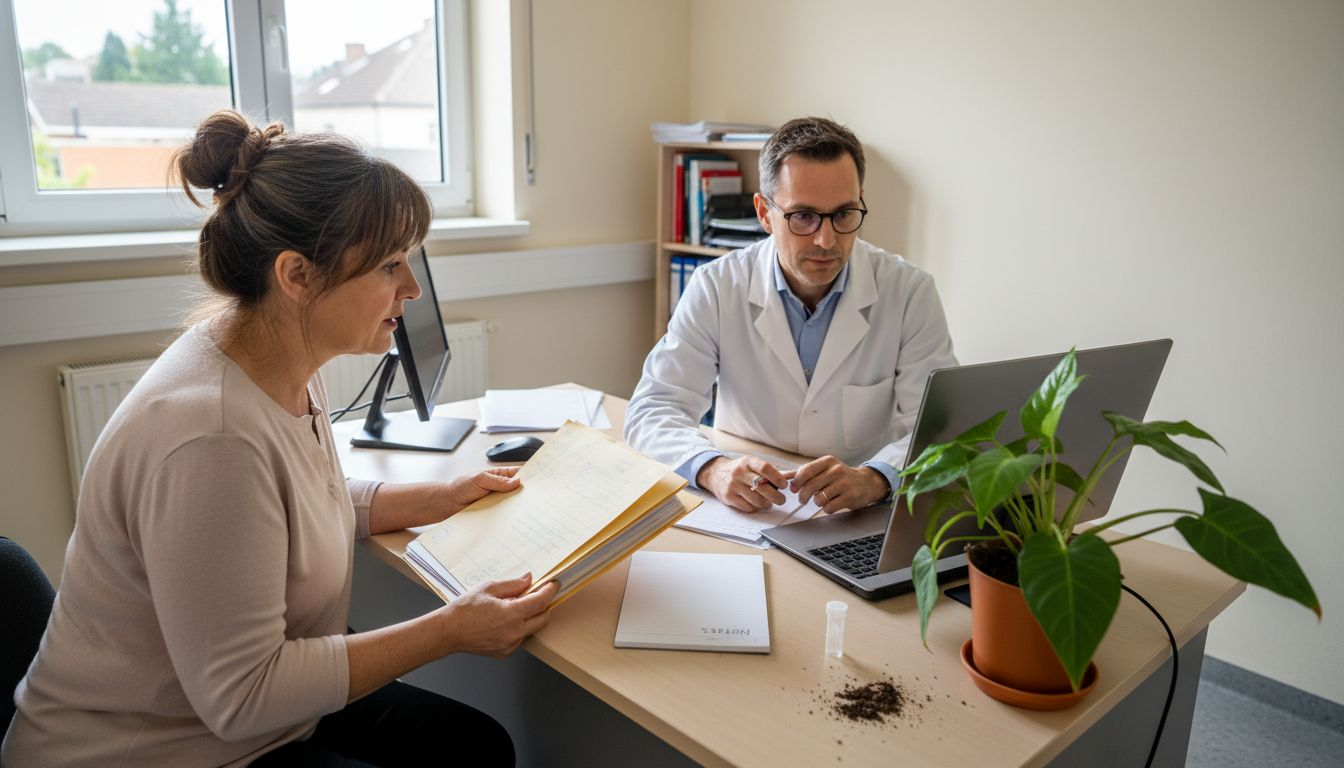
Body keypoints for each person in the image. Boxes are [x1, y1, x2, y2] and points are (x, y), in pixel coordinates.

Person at [1, 110, 557, 767]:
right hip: (159, 750)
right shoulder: (212, 436)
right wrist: (450, 631)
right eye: (387, 266)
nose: (410, 288)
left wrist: (426, 501)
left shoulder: (271, 355)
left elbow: (286, 503)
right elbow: (243, 696)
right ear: (296, 277)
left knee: (475, 747)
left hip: (242, 720)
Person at [625, 117, 957, 515]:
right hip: (745, 508)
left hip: (857, 514)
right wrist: (712, 469)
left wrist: (875, 478)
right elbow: (654, 409)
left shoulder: (909, 292)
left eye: (844, 214)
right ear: (765, 213)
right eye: (803, 216)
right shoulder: (717, 285)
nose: (826, 240)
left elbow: (938, 431)